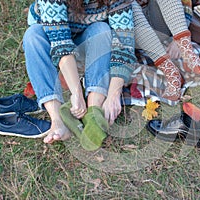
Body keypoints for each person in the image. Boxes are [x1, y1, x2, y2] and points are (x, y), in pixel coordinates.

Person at [23, 0, 136, 146]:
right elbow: (61, 44)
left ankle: (94, 110)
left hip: (89, 46)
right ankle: (58, 119)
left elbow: (124, 44)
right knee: (32, 35)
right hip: (52, 45)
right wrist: (76, 92)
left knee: (101, 29)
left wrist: (114, 94)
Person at [132, 0, 200, 101]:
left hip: (161, 23)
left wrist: (177, 40)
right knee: (127, 5)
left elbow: (185, 2)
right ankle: (171, 72)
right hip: (137, 35)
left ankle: (188, 52)